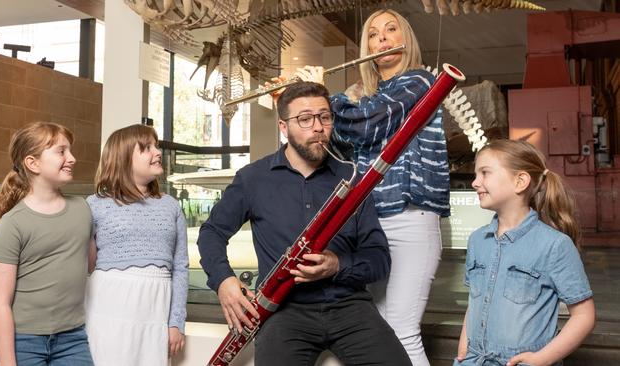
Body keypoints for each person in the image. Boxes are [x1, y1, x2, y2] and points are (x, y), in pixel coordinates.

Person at [198, 82, 411, 366]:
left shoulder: (352, 177)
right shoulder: (253, 179)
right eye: (305, 119)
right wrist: (224, 281)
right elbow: (211, 232)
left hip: (349, 307)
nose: (319, 127)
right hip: (284, 309)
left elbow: (379, 259)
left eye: (325, 117)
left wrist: (337, 265)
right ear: (284, 128)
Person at [290, 9, 449, 365]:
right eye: (374, 35)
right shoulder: (362, 97)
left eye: (391, 30)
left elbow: (365, 126)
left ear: (406, 39)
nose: (382, 39)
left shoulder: (420, 82)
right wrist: (303, 104)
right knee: (375, 329)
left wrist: (324, 95)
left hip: (411, 219)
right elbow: (338, 150)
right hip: (370, 225)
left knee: (401, 329)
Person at [455, 139, 595, 366]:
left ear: (520, 181)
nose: (474, 182)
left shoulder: (555, 245)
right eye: (476, 174)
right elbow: (476, 302)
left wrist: (541, 359)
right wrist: (463, 350)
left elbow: (584, 316)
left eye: (485, 173)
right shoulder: (477, 241)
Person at [0, 122, 94, 365]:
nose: (72, 158)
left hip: (73, 339)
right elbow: (0, 304)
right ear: (32, 163)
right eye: (61, 151)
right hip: (23, 341)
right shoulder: (12, 223)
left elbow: (89, 265)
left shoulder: (82, 209)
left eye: (70, 151)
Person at [84, 124, 188, 366]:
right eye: (147, 148)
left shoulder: (171, 206)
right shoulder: (94, 204)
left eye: (157, 146)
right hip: (107, 308)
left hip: (155, 310)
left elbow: (181, 268)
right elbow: (83, 266)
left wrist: (176, 322)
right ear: (122, 158)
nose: (158, 152)